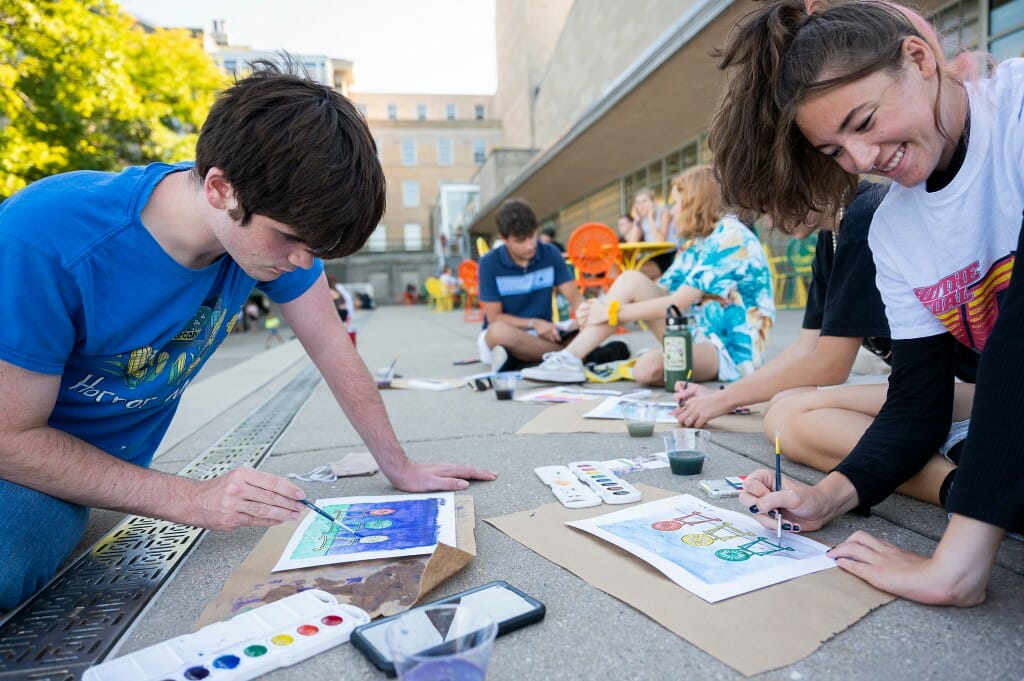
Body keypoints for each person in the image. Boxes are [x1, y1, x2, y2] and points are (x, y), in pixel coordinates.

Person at [0, 61, 495, 611]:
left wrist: (398, 465)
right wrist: (192, 498)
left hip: (77, 459)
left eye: (316, 248)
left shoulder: (271, 242)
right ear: (220, 188)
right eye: (289, 239)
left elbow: (332, 346)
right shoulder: (45, 237)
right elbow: (10, 438)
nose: (304, 262)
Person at [709, 0, 1023, 606]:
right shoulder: (893, 229)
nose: (862, 159)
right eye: (834, 151)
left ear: (919, 57)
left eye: (864, 120)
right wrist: (828, 494)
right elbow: (916, 404)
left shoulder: (1014, 116)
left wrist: (955, 565)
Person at [673, 181, 976, 506]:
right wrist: (723, 397)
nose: (772, 224)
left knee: (786, 415)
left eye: (769, 207)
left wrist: (723, 401)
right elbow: (805, 348)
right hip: (942, 389)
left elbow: (831, 365)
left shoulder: (864, 217)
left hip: (973, 389)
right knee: (786, 405)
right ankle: (956, 477)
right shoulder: (830, 237)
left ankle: (966, 489)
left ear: (800, 172)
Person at [523, 165, 774, 385]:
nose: (671, 211)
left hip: (730, 350)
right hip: (695, 333)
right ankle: (569, 358)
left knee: (647, 369)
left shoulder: (730, 237)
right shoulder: (695, 243)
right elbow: (655, 292)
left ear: (695, 203)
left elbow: (675, 304)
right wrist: (597, 308)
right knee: (631, 279)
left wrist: (609, 312)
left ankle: (572, 356)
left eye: (676, 203)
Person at [477, 199, 583, 373]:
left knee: (592, 322)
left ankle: (522, 358)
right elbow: (494, 318)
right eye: (520, 241)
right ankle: (570, 355)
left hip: (546, 333)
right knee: (497, 333)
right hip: (511, 333)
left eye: (532, 236)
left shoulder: (550, 253)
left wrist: (583, 318)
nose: (529, 246)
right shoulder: (489, 263)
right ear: (503, 238)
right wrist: (534, 323)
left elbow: (575, 298)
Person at [632, 187, 677, 279]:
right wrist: (637, 220)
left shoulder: (664, 213)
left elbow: (660, 241)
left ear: (653, 202)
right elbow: (631, 242)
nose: (641, 205)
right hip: (654, 256)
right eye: (638, 203)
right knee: (632, 270)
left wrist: (650, 219)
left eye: (645, 201)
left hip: (670, 255)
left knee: (637, 274)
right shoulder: (641, 218)